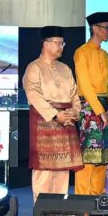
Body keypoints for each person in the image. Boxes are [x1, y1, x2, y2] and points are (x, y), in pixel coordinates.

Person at [23, 26, 83, 202]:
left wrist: (74, 112)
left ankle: (59, 212)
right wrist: (56, 115)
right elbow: (33, 94)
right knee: (44, 171)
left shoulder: (65, 68)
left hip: (66, 122)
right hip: (44, 122)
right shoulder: (34, 67)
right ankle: (41, 214)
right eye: (58, 43)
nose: (61, 47)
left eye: (62, 43)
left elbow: (74, 95)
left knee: (63, 172)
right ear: (46, 44)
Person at [74, 11, 108, 195]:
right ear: (95, 29)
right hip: (90, 106)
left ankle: (98, 198)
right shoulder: (82, 52)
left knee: (104, 157)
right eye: (106, 28)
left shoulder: (105, 55)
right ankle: (83, 199)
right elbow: (84, 85)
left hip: (106, 106)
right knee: (89, 155)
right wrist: (100, 111)